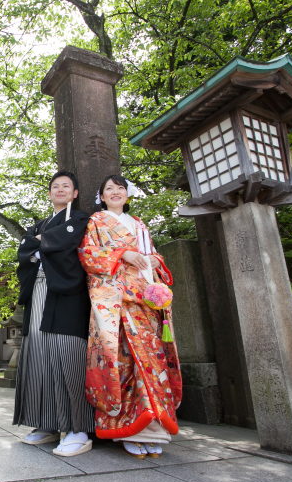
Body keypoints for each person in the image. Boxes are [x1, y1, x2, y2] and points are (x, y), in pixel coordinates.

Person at [77, 175, 182, 458]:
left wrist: (155, 261)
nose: (115, 192)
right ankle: (128, 428)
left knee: (152, 361)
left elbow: (153, 257)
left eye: (120, 188)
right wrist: (123, 253)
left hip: (146, 302)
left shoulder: (139, 224)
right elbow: (89, 255)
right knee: (125, 361)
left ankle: (154, 428)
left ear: (127, 194)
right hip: (119, 302)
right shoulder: (97, 221)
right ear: (101, 196)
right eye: (109, 188)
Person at [13, 170, 95, 457]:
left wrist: (39, 243)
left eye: (66, 186)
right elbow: (24, 250)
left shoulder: (81, 219)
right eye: (55, 186)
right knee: (38, 355)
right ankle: (46, 423)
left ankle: (78, 428)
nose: (60, 190)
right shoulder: (41, 223)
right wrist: (44, 243)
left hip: (66, 293)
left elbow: (58, 243)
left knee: (67, 354)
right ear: (49, 193)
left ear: (74, 194)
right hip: (37, 293)